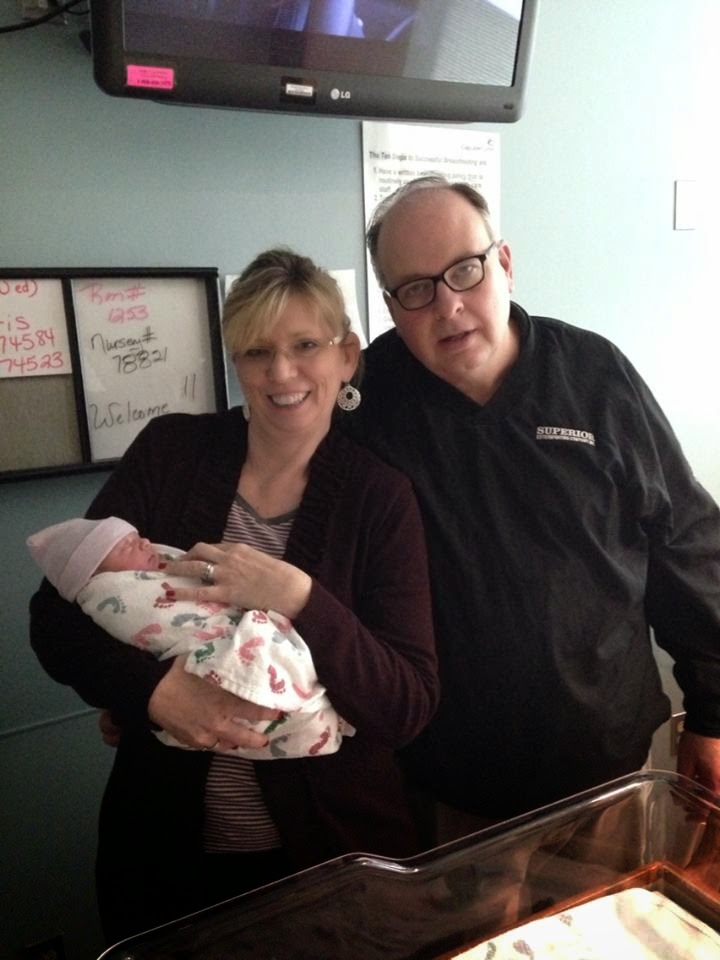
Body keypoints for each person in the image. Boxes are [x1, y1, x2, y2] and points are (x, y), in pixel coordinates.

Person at [29, 248, 438, 944]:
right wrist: (154, 693)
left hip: (327, 861)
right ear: (236, 362)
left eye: (305, 346)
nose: (281, 373)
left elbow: (408, 703)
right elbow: (54, 621)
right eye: (257, 351)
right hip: (166, 856)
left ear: (346, 356)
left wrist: (302, 598)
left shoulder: (380, 498)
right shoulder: (171, 453)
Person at [344, 174, 720, 842]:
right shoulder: (367, 405)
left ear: (505, 263)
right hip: (447, 787)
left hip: (606, 774)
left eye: (465, 270)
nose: (449, 305)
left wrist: (713, 713)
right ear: (392, 305)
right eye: (417, 289)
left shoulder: (596, 374)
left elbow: (685, 542)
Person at [26, 515, 354, 760]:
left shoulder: (373, 486)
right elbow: (53, 619)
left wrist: (299, 596)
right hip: (167, 796)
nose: (145, 542)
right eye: (127, 544)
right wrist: (147, 689)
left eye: (138, 537)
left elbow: (385, 689)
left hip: (327, 811)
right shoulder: (159, 458)